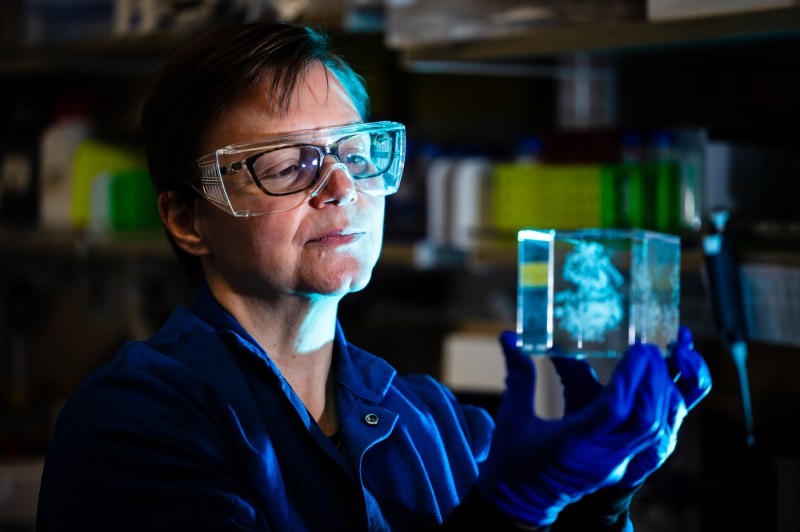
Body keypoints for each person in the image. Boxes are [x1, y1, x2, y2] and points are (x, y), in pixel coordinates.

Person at [36, 21, 711, 531]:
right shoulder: (135, 423)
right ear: (188, 219)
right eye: (286, 165)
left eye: (356, 154)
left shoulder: (433, 422)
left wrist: (600, 493)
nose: (341, 187)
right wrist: (512, 508)